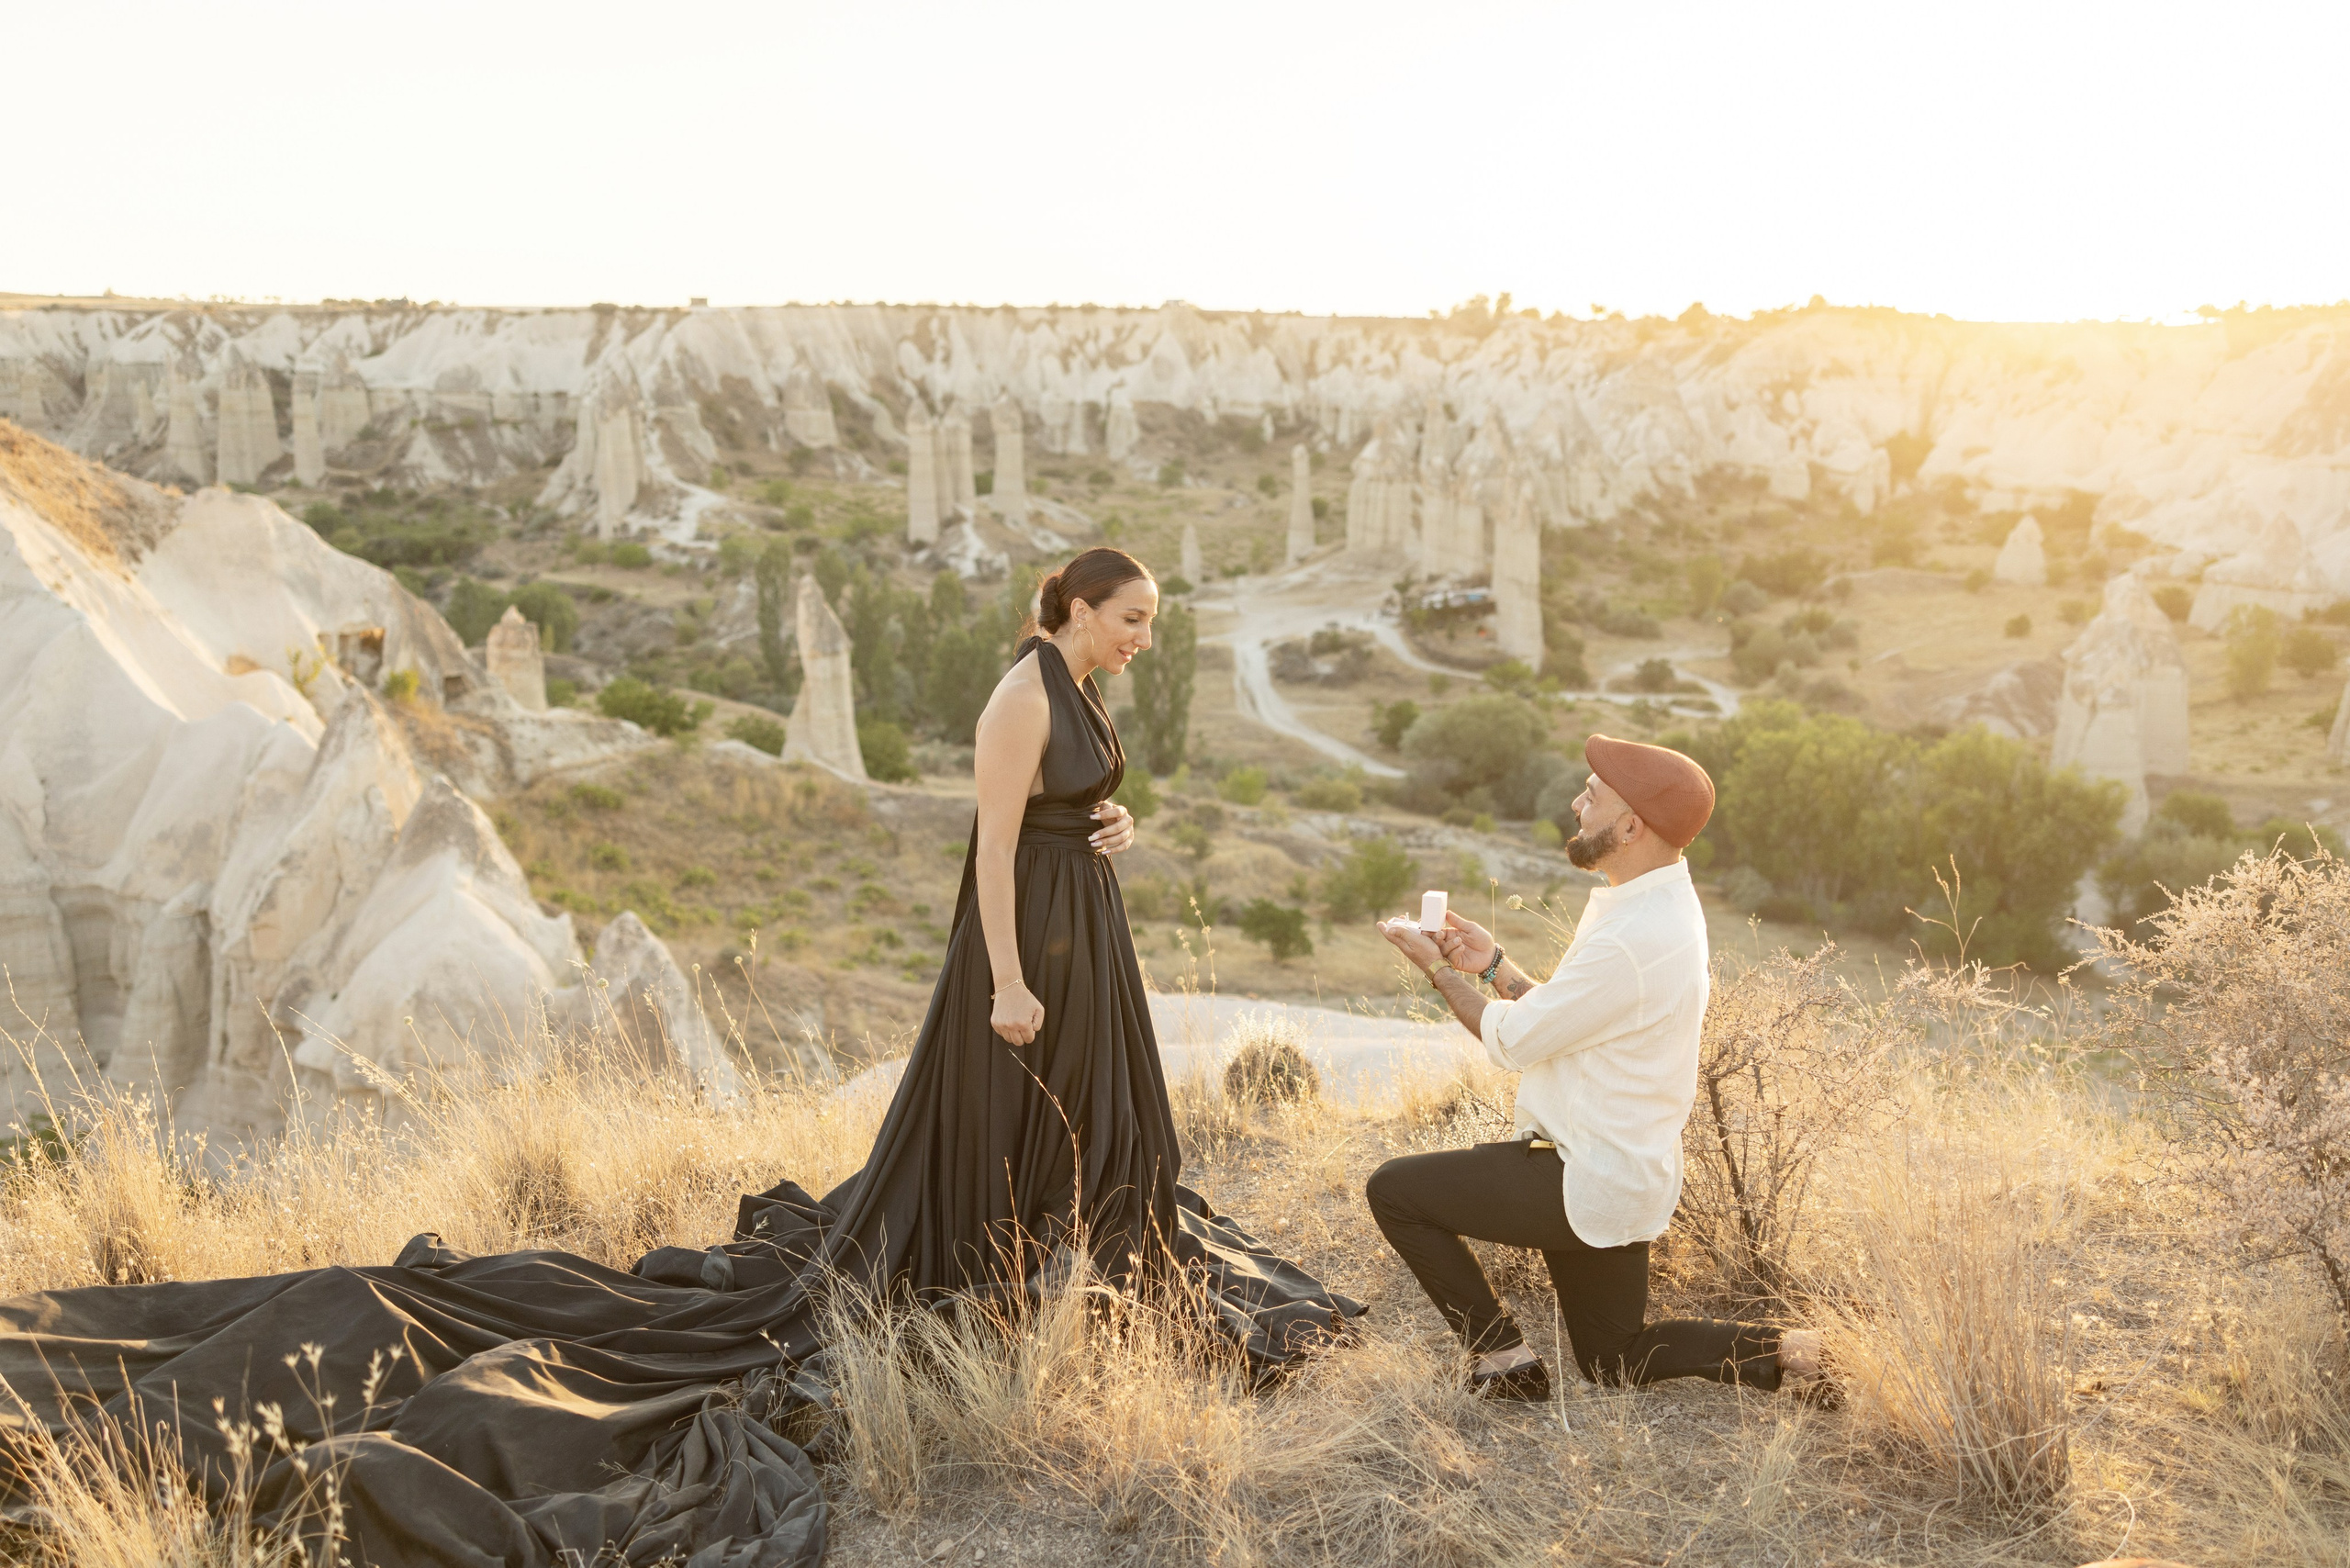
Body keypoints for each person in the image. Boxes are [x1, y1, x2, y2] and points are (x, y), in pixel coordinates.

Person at [0, 547, 1355, 1568]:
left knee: (1112, 1143)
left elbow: (1073, 814)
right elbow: (992, 848)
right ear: (1075, 611)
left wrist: (1110, 838)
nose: (1146, 641)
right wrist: (1005, 981)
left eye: (1153, 627)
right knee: (999, 1137)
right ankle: (1000, 1267)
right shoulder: (1020, 693)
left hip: (1085, 935)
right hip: (1024, 957)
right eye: (1134, 621)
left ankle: (1080, 1250)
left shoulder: (1083, 685)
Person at [1367, 734, 1823, 1400]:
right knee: (1614, 1358)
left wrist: (1435, 969)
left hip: (1579, 1171)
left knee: (1394, 1191)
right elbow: (1577, 1015)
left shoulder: (1637, 934)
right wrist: (1494, 967)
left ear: (1632, 823)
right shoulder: (1652, 906)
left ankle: (1501, 1360)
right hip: (1619, 1170)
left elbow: (1517, 1042)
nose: (1576, 803)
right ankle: (1798, 1353)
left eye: (1592, 795)